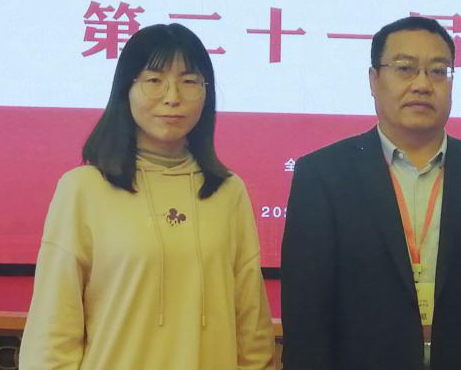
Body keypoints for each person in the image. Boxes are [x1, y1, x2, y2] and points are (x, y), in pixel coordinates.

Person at [281, 15, 461, 370]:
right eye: (405, 68)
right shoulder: (323, 177)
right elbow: (306, 318)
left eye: (438, 71)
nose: (422, 84)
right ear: (374, 80)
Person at [19, 23, 274, 370]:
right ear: (126, 89)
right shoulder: (83, 189)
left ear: (206, 92)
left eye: (189, 81)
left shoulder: (228, 192)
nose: (172, 97)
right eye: (154, 80)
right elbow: (52, 331)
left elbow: (252, 330)